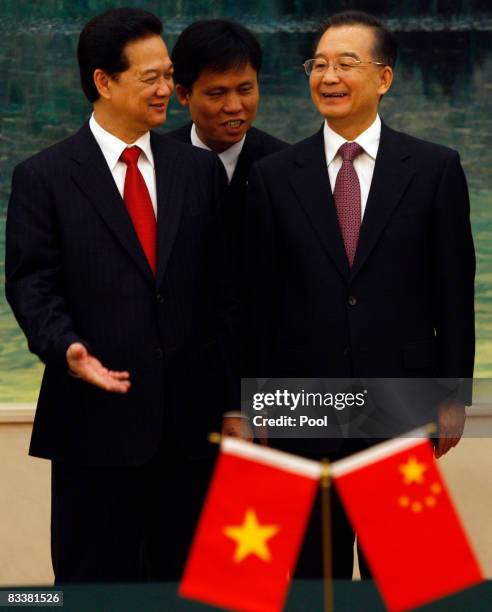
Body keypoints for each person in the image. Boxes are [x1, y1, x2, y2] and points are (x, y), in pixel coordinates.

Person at [5, 8, 238, 583]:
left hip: (192, 434)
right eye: (151, 78)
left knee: (194, 589)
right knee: (92, 591)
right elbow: (31, 286)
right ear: (103, 82)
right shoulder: (45, 177)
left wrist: (236, 402)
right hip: (93, 429)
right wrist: (67, 350)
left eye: (169, 75)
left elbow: (226, 296)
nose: (168, 90)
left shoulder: (199, 171)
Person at [242, 10, 475, 578]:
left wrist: (453, 394)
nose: (328, 77)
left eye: (346, 64)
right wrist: (252, 401)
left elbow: (453, 288)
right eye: (317, 65)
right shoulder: (275, 175)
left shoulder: (434, 168)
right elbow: (256, 301)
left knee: (403, 578)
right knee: (305, 579)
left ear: (384, 78)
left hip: (399, 404)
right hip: (298, 409)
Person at [166, 18, 288, 242]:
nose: (234, 106)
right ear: (184, 95)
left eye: (245, 90)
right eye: (217, 94)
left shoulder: (284, 167)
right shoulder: (158, 163)